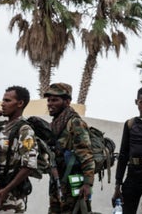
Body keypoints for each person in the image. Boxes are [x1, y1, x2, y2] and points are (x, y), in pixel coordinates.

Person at [0, 85, 39, 213]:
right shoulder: (2, 127)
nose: (2, 104)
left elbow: (29, 165)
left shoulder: (24, 130)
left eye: (7, 101)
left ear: (20, 103)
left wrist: (6, 190)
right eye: (3, 100)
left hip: (10, 194)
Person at [44, 82, 94, 214]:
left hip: (74, 185)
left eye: (55, 100)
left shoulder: (75, 122)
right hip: (57, 183)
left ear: (67, 101)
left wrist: (88, 183)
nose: (50, 103)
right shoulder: (54, 124)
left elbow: (86, 154)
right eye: (49, 100)